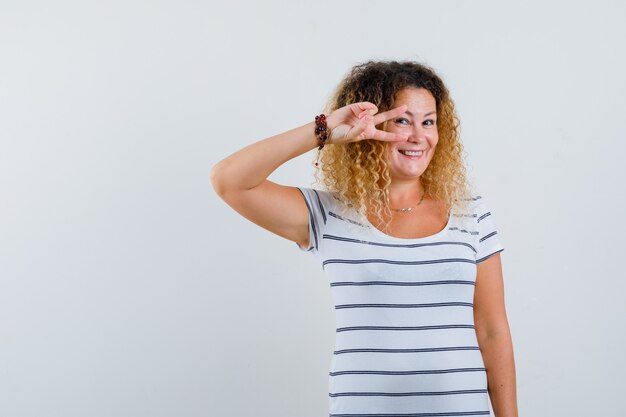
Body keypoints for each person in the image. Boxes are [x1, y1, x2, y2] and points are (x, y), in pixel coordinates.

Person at [211, 60, 518, 417]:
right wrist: (325, 129)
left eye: (428, 121)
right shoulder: (328, 214)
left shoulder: (470, 213)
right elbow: (229, 181)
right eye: (402, 120)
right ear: (371, 126)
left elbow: (493, 329)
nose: (418, 136)